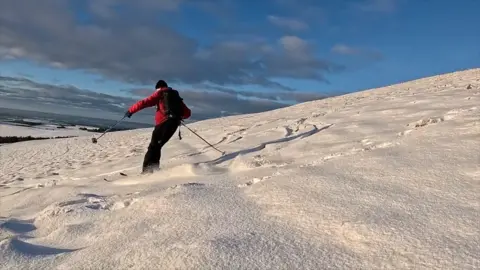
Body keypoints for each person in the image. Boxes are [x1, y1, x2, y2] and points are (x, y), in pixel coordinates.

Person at [125, 80, 191, 174]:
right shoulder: (175, 96)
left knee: (153, 147)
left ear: (158, 88)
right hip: (174, 124)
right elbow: (188, 113)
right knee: (157, 146)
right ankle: (154, 169)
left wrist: (130, 111)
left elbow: (144, 102)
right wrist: (175, 115)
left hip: (163, 124)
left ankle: (147, 172)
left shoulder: (160, 93)